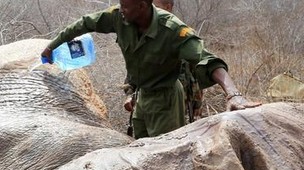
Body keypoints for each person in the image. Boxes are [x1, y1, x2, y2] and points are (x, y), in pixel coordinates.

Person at [41, 0, 260, 139]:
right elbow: (84, 24)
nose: (121, 10)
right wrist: (52, 45)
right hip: (142, 98)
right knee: (141, 150)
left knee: (167, 156)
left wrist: (233, 93)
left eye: (126, 6)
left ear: (143, 6)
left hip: (166, 99)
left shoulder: (173, 30)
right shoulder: (120, 17)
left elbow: (208, 60)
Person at [123, 0, 202, 127]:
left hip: (179, 104)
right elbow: (133, 72)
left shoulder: (183, 34)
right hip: (148, 104)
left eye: (155, 7)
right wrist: (129, 95)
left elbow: (196, 73)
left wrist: (197, 106)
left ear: (168, 7)